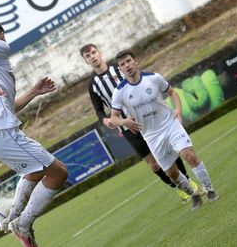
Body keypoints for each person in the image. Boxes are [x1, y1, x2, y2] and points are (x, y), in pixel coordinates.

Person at [0, 18, 68, 247]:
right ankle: (22, 222)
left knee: (34, 172)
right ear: (0, 34)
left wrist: (34, 91)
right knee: (58, 174)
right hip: (2, 133)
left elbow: (9, 107)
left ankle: (13, 217)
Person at [80, 44, 203, 203]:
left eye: (93, 52)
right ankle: (178, 187)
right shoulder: (93, 84)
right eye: (88, 56)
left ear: (100, 53)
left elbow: (140, 81)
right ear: (86, 61)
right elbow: (98, 109)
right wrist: (105, 119)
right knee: (153, 164)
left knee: (169, 153)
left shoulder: (119, 68)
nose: (92, 57)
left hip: (145, 118)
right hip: (126, 126)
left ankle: (188, 182)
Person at [110, 49, 218, 211]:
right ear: (120, 69)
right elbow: (113, 118)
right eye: (122, 64)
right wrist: (125, 121)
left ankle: (210, 190)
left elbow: (173, 93)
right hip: (151, 136)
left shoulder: (153, 78)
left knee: (189, 156)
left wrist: (178, 111)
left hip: (170, 125)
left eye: (129, 61)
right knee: (171, 174)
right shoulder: (119, 92)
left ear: (136, 61)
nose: (127, 66)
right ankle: (194, 195)